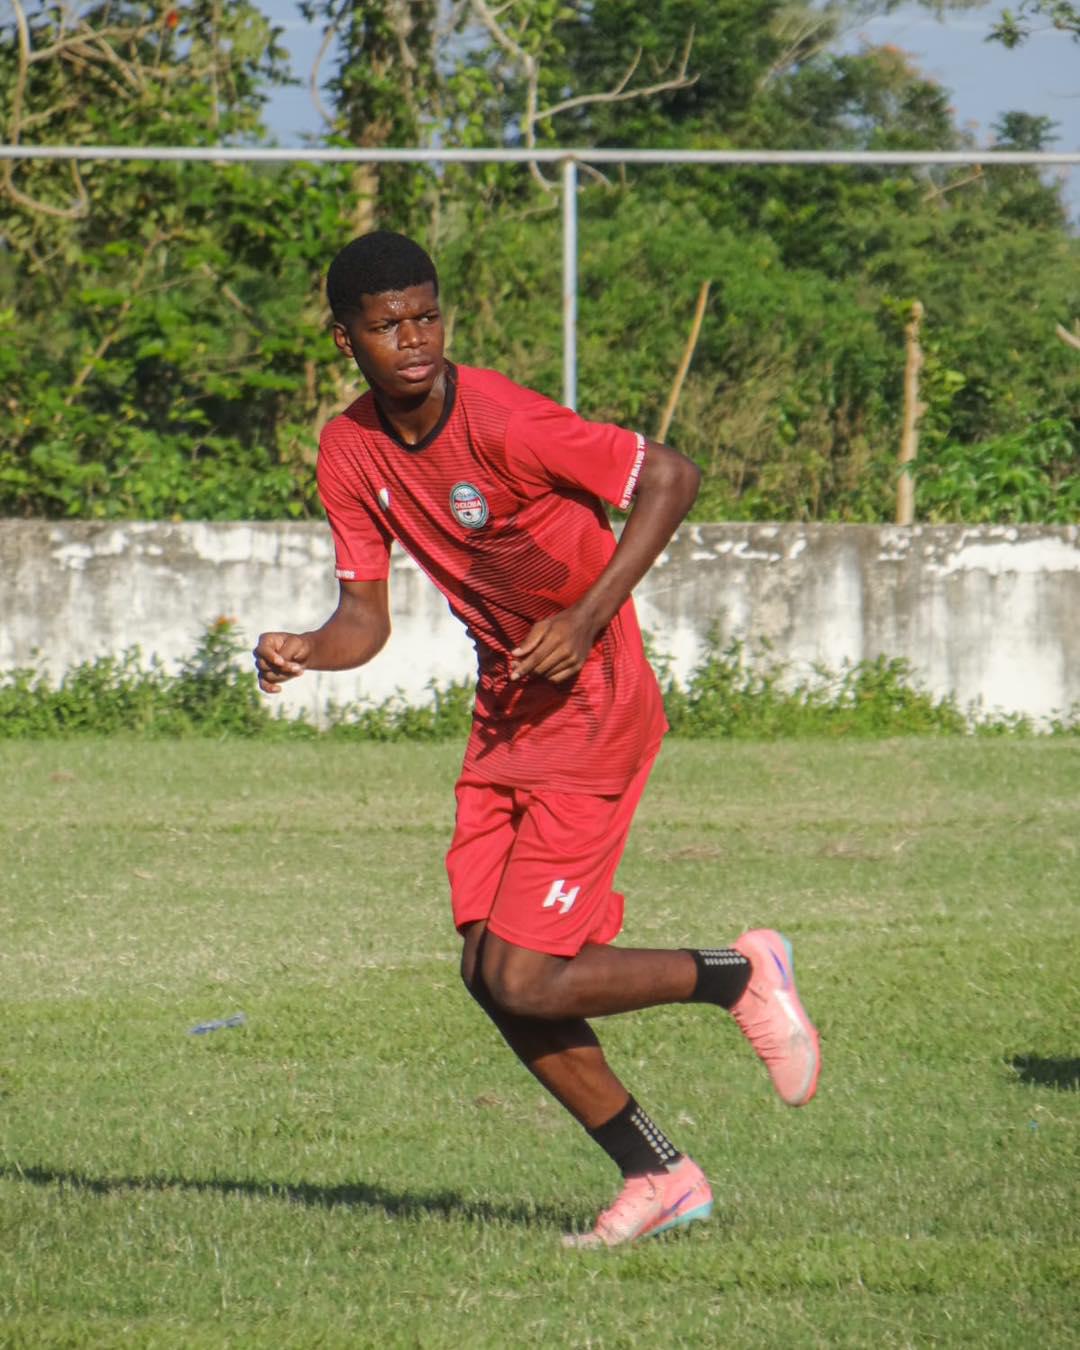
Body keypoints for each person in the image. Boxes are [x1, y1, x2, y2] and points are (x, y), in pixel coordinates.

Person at [253, 230, 820, 1248]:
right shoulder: (350, 449)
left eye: (427, 316)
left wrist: (591, 612)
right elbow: (365, 621)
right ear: (348, 341)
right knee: (489, 972)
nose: (415, 340)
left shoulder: (507, 419)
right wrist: (305, 649)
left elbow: (672, 478)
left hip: (596, 702)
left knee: (526, 973)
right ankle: (660, 1175)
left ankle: (737, 975)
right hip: (506, 714)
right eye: (388, 326)